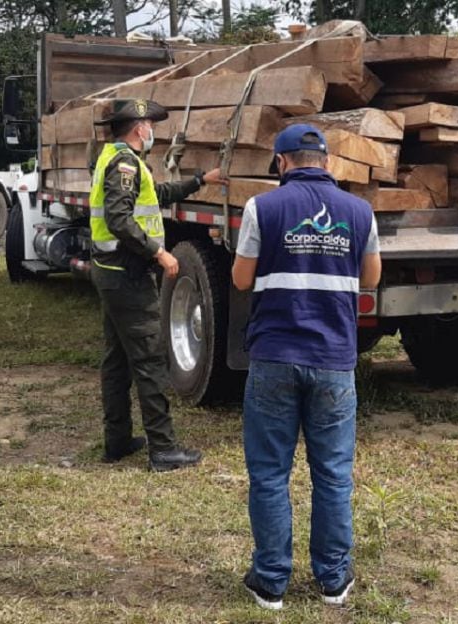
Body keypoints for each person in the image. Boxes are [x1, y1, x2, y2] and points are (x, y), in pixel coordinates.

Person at [231, 124, 382, 610]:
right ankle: (333, 580)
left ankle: (271, 580)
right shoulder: (360, 212)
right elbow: (371, 277)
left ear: (281, 162)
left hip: (275, 357)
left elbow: (240, 279)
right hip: (334, 361)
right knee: (334, 475)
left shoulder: (262, 207)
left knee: (271, 473)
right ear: (328, 163)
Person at [89, 98, 224, 472]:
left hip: (111, 271)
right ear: (138, 128)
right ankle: (163, 450)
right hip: (127, 273)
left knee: (117, 360)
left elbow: (155, 198)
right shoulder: (124, 164)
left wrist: (199, 181)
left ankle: (117, 441)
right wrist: (159, 253)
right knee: (149, 359)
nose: (153, 131)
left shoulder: (113, 157)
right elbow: (119, 218)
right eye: (150, 124)